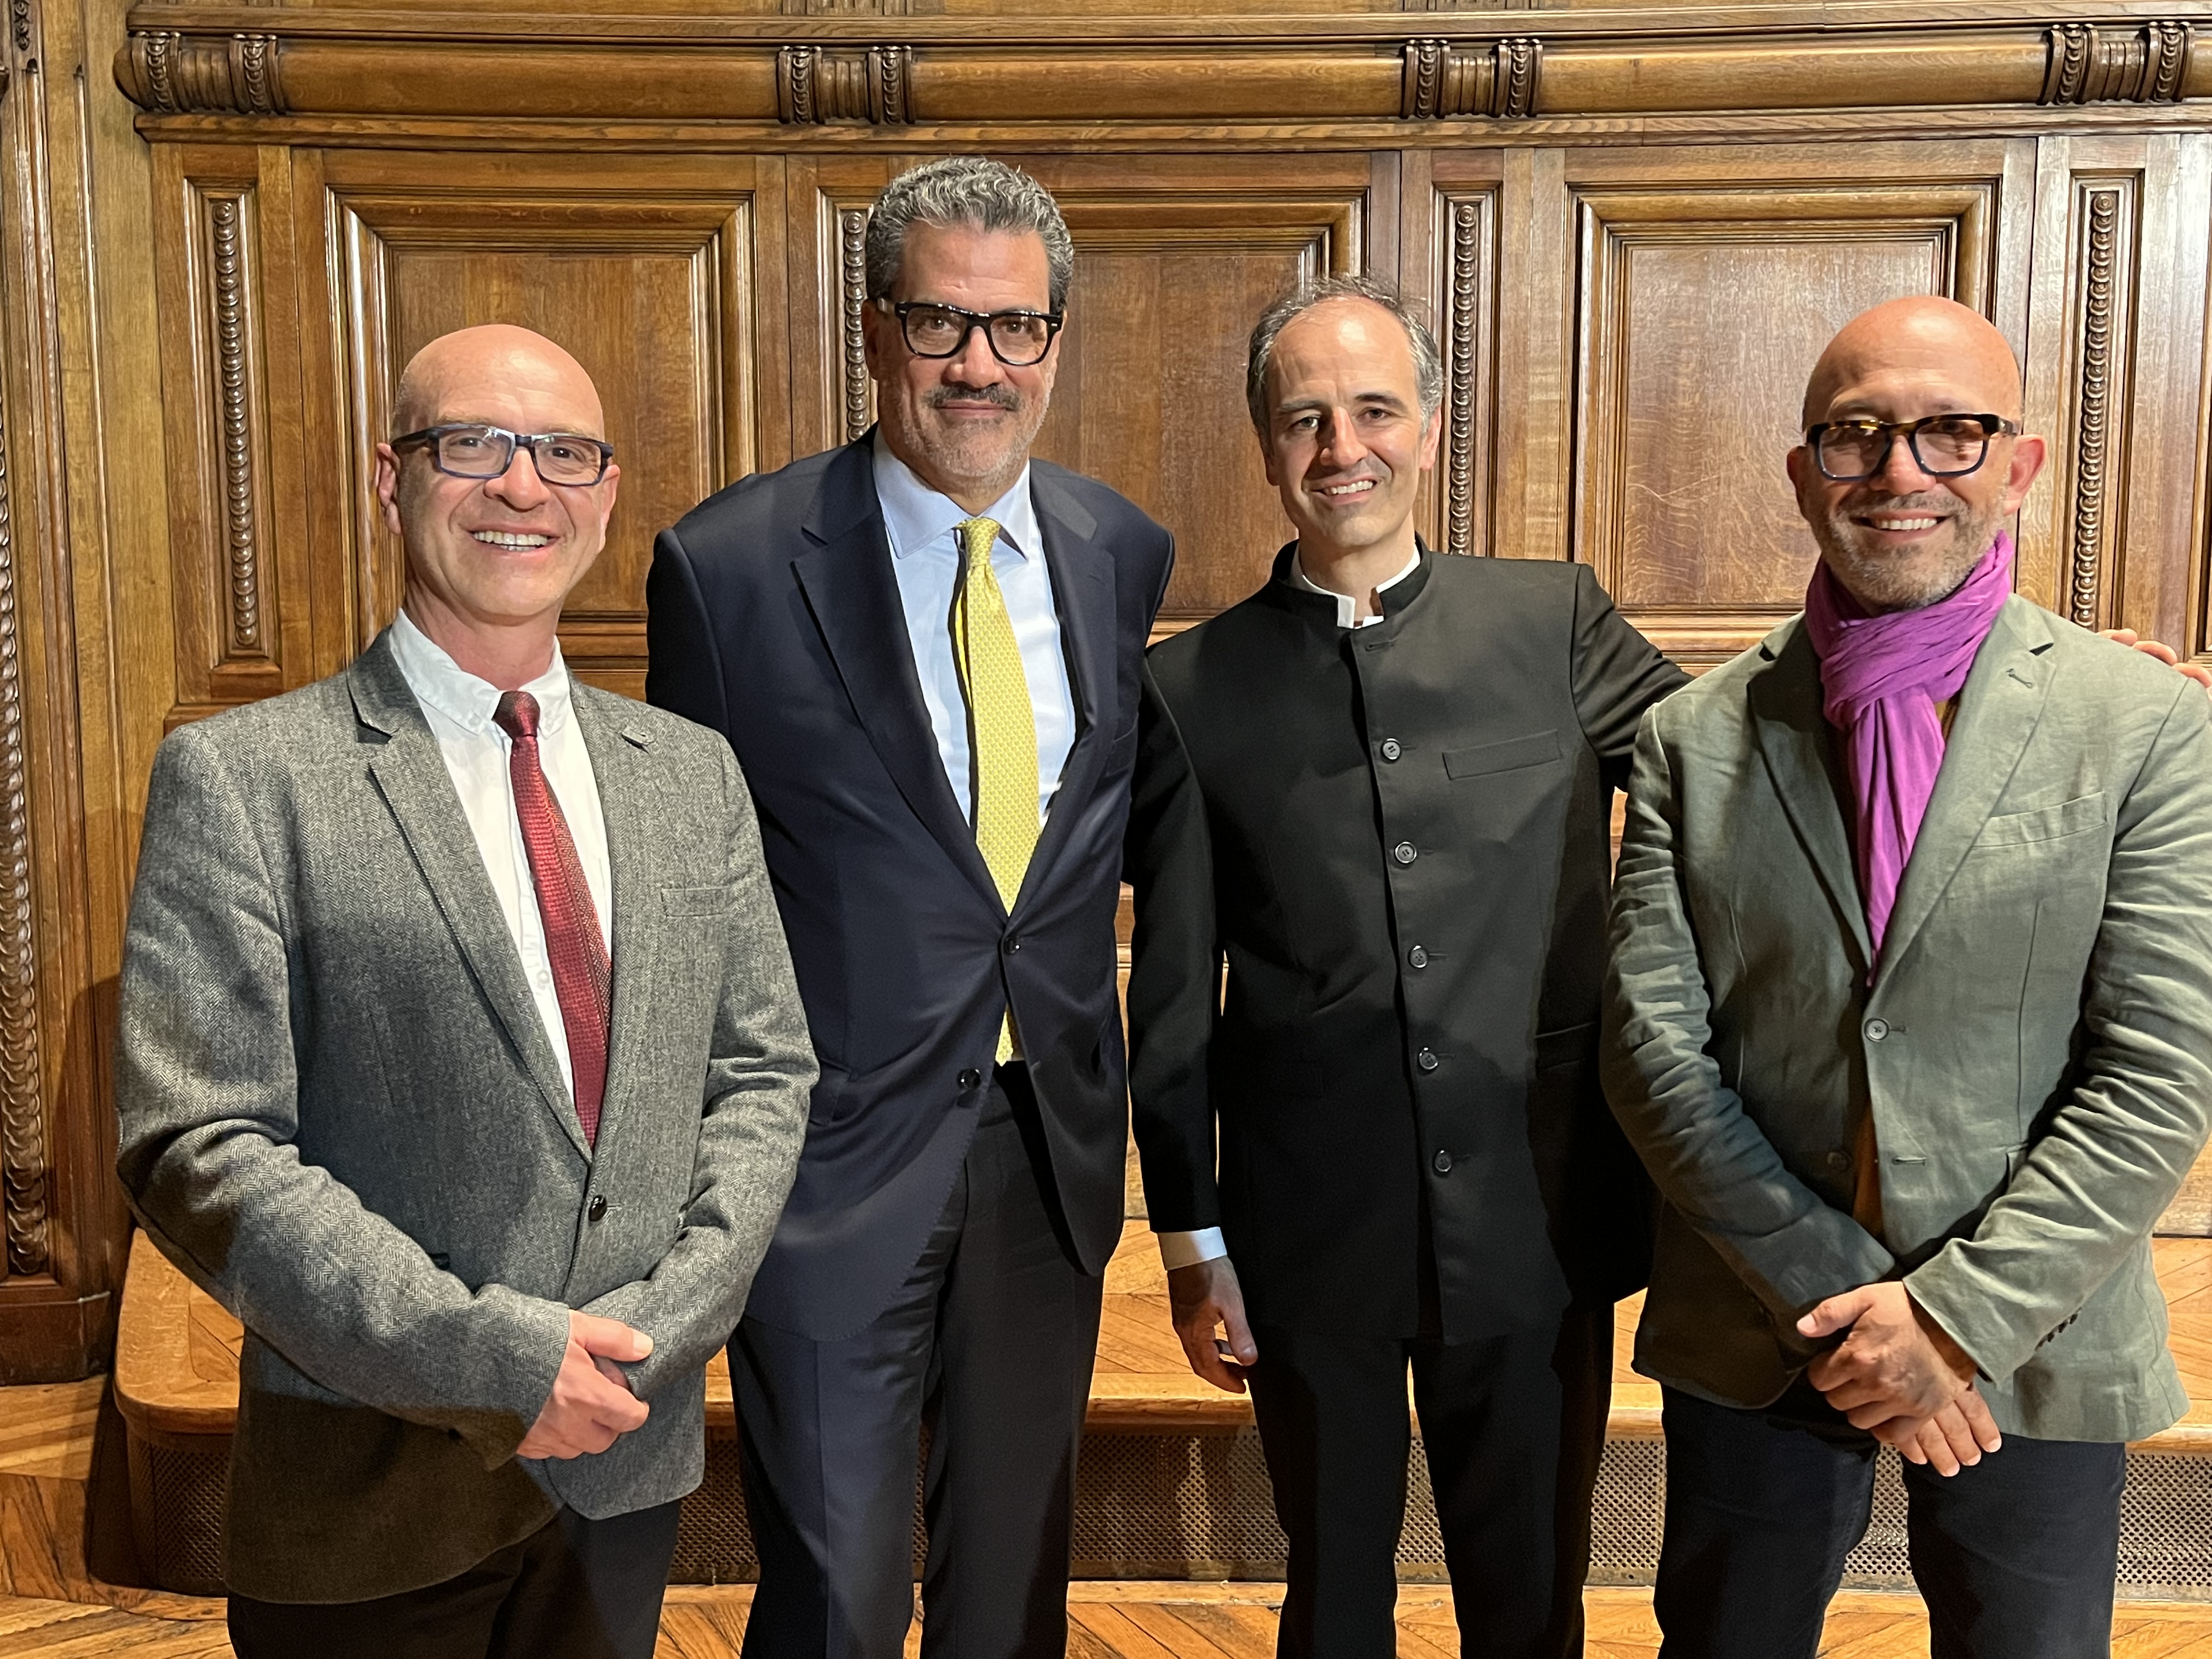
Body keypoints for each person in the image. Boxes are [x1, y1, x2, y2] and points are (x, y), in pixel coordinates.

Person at [114, 324, 816, 1659]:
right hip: (371, 1503)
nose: (520, 485)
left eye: (563, 452)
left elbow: (764, 1075)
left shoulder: (690, 774)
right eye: (472, 446)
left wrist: (655, 1336)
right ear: (392, 479)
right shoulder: (249, 782)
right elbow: (198, 1145)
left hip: (624, 1467)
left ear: (605, 494)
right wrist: (493, 1366)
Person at [1602, 294, 2212, 1658]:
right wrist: (1844, 1303)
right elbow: (1655, 1057)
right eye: (1857, 436)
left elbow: (2159, 1070)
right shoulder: (1691, 739)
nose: (1900, 473)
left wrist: (1949, 1320)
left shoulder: (2151, 727)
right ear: (1803, 471)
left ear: (2020, 464)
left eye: (1951, 433)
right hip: (1767, 1320)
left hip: (2033, 1338)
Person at [646, 157, 1173, 1657]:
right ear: (874, 331)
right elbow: (691, 901)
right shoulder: (730, 568)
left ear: (1057, 340)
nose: (980, 365)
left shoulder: (1117, 551)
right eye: (940, 322)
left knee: (1013, 1589)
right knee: (838, 1591)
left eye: (1016, 328)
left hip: (1045, 1148)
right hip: (826, 1160)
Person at [1122, 274, 1687, 1658]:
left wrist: (1997, 691)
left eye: (1374, 409)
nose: (1342, 448)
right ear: (1265, 446)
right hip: (1308, 1229)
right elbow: (1173, 995)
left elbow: (1748, 763)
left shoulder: (1550, 620)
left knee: (1532, 1592)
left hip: (1539, 1207)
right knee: (1333, 1597)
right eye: (1305, 418)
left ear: (1430, 427)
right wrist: (1195, 1242)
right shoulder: (1188, 690)